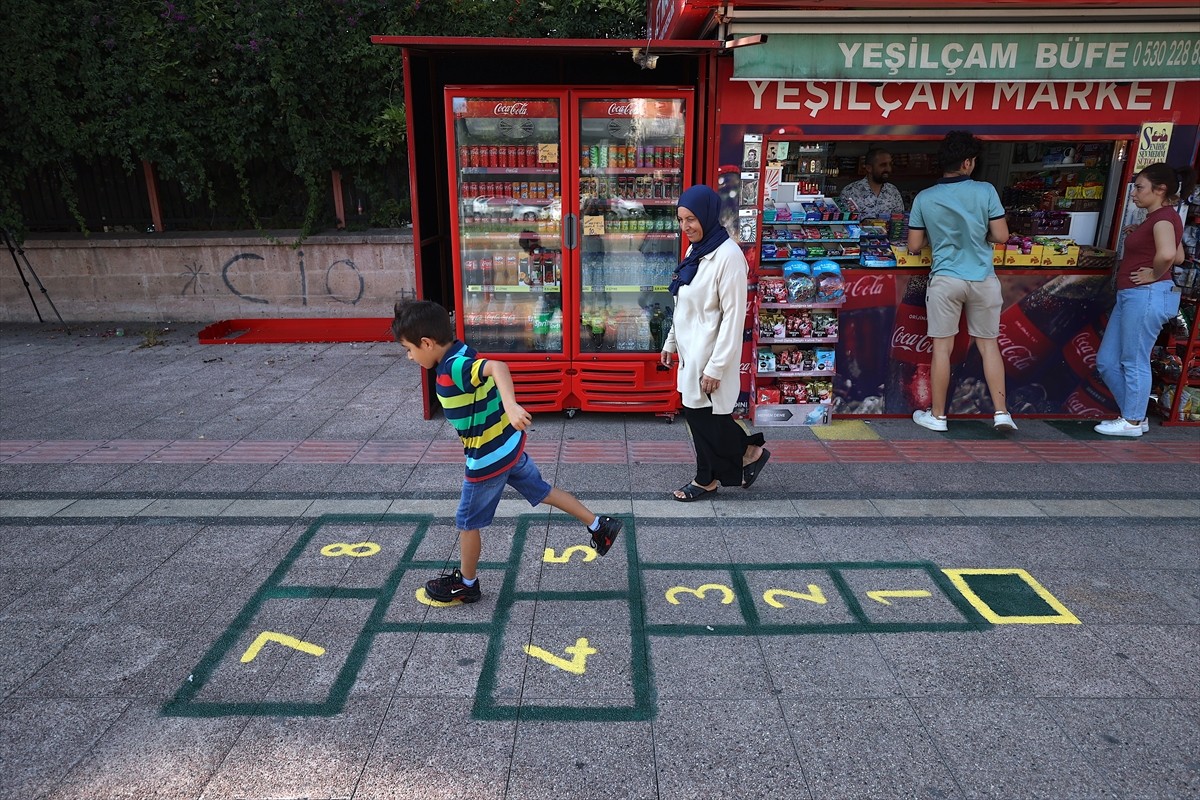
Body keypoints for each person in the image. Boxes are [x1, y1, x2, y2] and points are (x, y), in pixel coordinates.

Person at [392, 300, 622, 603]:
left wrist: (511, 406)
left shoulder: (454, 367)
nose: (409, 357)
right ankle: (598, 525)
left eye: (409, 349)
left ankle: (467, 584)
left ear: (427, 343)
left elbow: (497, 367)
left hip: (487, 460)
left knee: (467, 523)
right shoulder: (460, 350)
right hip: (508, 447)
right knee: (543, 491)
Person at [660, 184, 770, 501]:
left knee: (705, 419)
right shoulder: (694, 251)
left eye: (691, 219)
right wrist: (670, 342)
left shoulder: (729, 257)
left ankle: (710, 476)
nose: (685, 227)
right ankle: (744, 454)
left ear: (707, 216)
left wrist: (716, 367)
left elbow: (734, 319)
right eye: (681, 220)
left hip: (709, 355)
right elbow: (683, 304)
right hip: (691, 353)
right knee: (700, 418)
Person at [906, 130, 1017, 433]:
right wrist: (978, 233)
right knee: (988, 346)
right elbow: (1001, 235)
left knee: (942, 349)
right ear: (967, 162)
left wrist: (936, 236)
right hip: (983, 279)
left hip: (945, 280)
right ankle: (1002, 413)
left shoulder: (925, 197)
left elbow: (914, 245)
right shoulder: (985, 191)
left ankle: (938, 416)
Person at [1093, 163, 1194, 437]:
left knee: (1133, 359)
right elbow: (1180, 256)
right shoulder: (1162, 218)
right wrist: (1142, 235)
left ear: (1160, 190)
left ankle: (1133, 421)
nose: (1134, 193)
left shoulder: (1163, 218)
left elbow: (1168, 255)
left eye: (1139, 188)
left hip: (1146, 295)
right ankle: (1134, 415)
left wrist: (1153, 273)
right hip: (1135, 296)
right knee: (1107, 361)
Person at [840, 148, 905, 220]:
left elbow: (899, 221)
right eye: (883, 165)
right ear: (869, 168)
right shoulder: (850, 191)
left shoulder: (893, 191)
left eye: (890, 164)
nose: (888, 169)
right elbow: (843, 221)